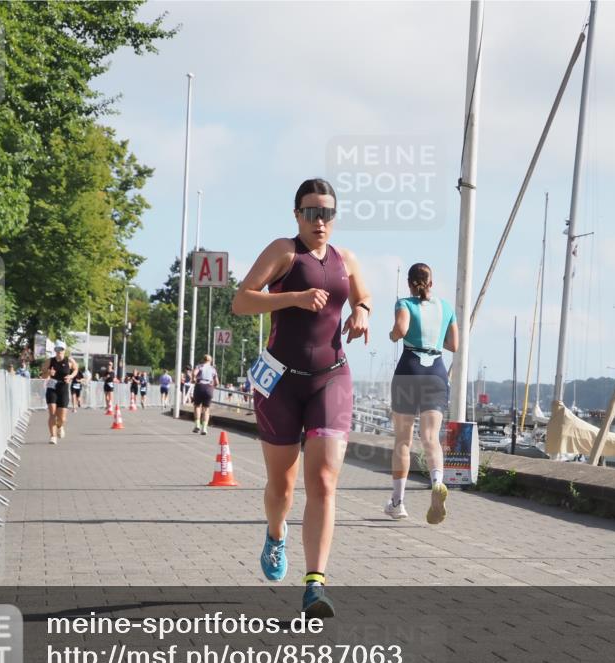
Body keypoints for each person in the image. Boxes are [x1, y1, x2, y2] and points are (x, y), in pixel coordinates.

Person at [232, 177, 371, 618]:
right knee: (282, 485)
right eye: (311, 212)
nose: (320, 221)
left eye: (327, 213)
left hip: (332, 377)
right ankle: (276, 535)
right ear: (297, 215)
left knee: (325, 481)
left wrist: (362, 312)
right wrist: (294, 297)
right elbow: (241, 301)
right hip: (281, 382)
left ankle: (316, 584)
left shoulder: (345, 259)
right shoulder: (283, 252)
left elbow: (363, 296)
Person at [387, 263, 458, 523]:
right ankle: (438, 481)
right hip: (436, 373)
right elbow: (454, 345)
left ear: (409, 283)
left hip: (409, 370)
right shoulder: (446, 307)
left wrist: (393, 335)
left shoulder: (404, 304)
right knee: (431, 438)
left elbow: (402, 329)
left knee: (403, 441)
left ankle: (398, 502)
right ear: (431, 283)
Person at [41, 342, 78, 444]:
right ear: (55, 350)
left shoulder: (69, 361)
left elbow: (76, 369)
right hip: (52, 388)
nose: (59, 352)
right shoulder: (50, 361)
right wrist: (48, 373)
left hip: (63, 388)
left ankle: (60, 426)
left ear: (64, 350)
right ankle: (53, 436)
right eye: (57, 349)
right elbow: (43, 375)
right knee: (52, 413)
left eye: (61, 349)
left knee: (62, 418)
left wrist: (70, 376)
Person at [192, 355, 218, 434]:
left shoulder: (199, 366)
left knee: (197, 406)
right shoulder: (213, 369)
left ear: (203, 360)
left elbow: (194, 373)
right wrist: (212, 387)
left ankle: (197, 425)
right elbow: (217, 382)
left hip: (199, 386)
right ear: (211, 361)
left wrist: (193, 378)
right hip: (208, 387)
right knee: (206, 409)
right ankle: (204, 428)